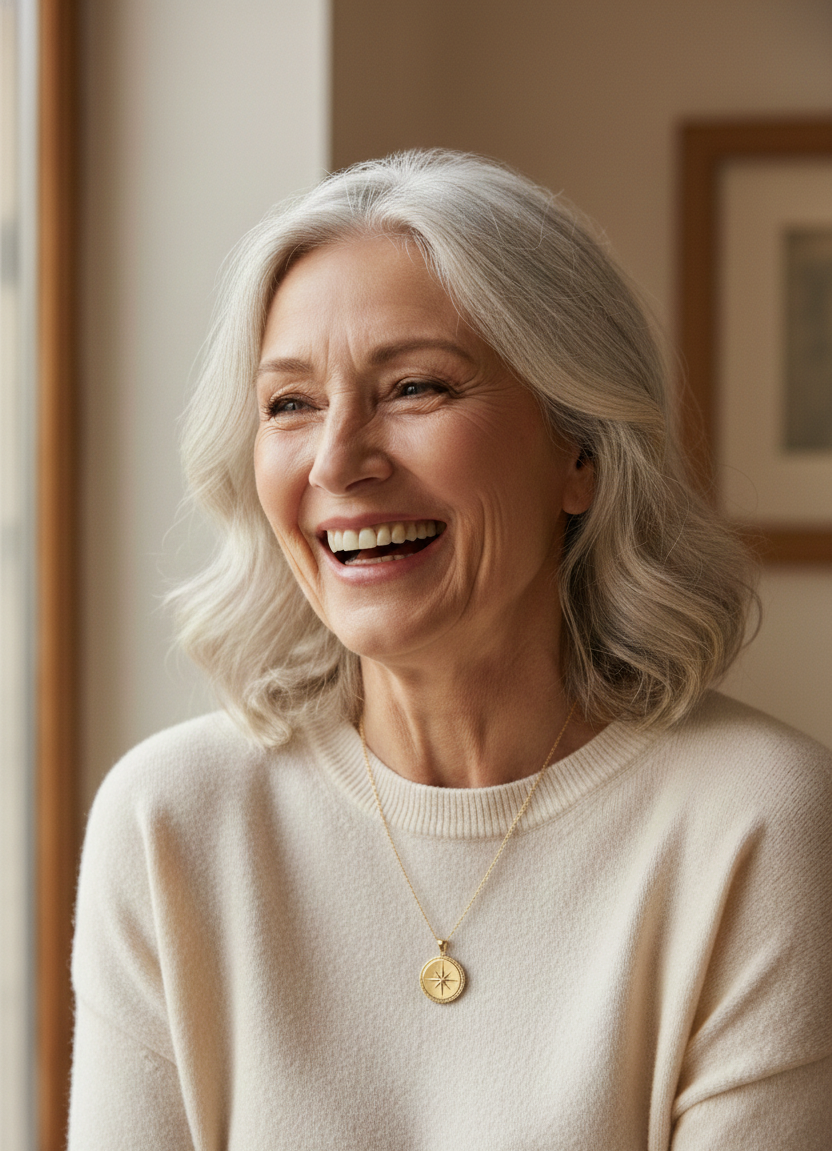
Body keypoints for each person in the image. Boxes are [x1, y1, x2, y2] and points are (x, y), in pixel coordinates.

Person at [68, 151, 832, 1149]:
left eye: (416, 386)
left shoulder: (759, 821)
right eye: (289, 402)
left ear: (580, 453)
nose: (340, 459)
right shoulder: (170, 818)